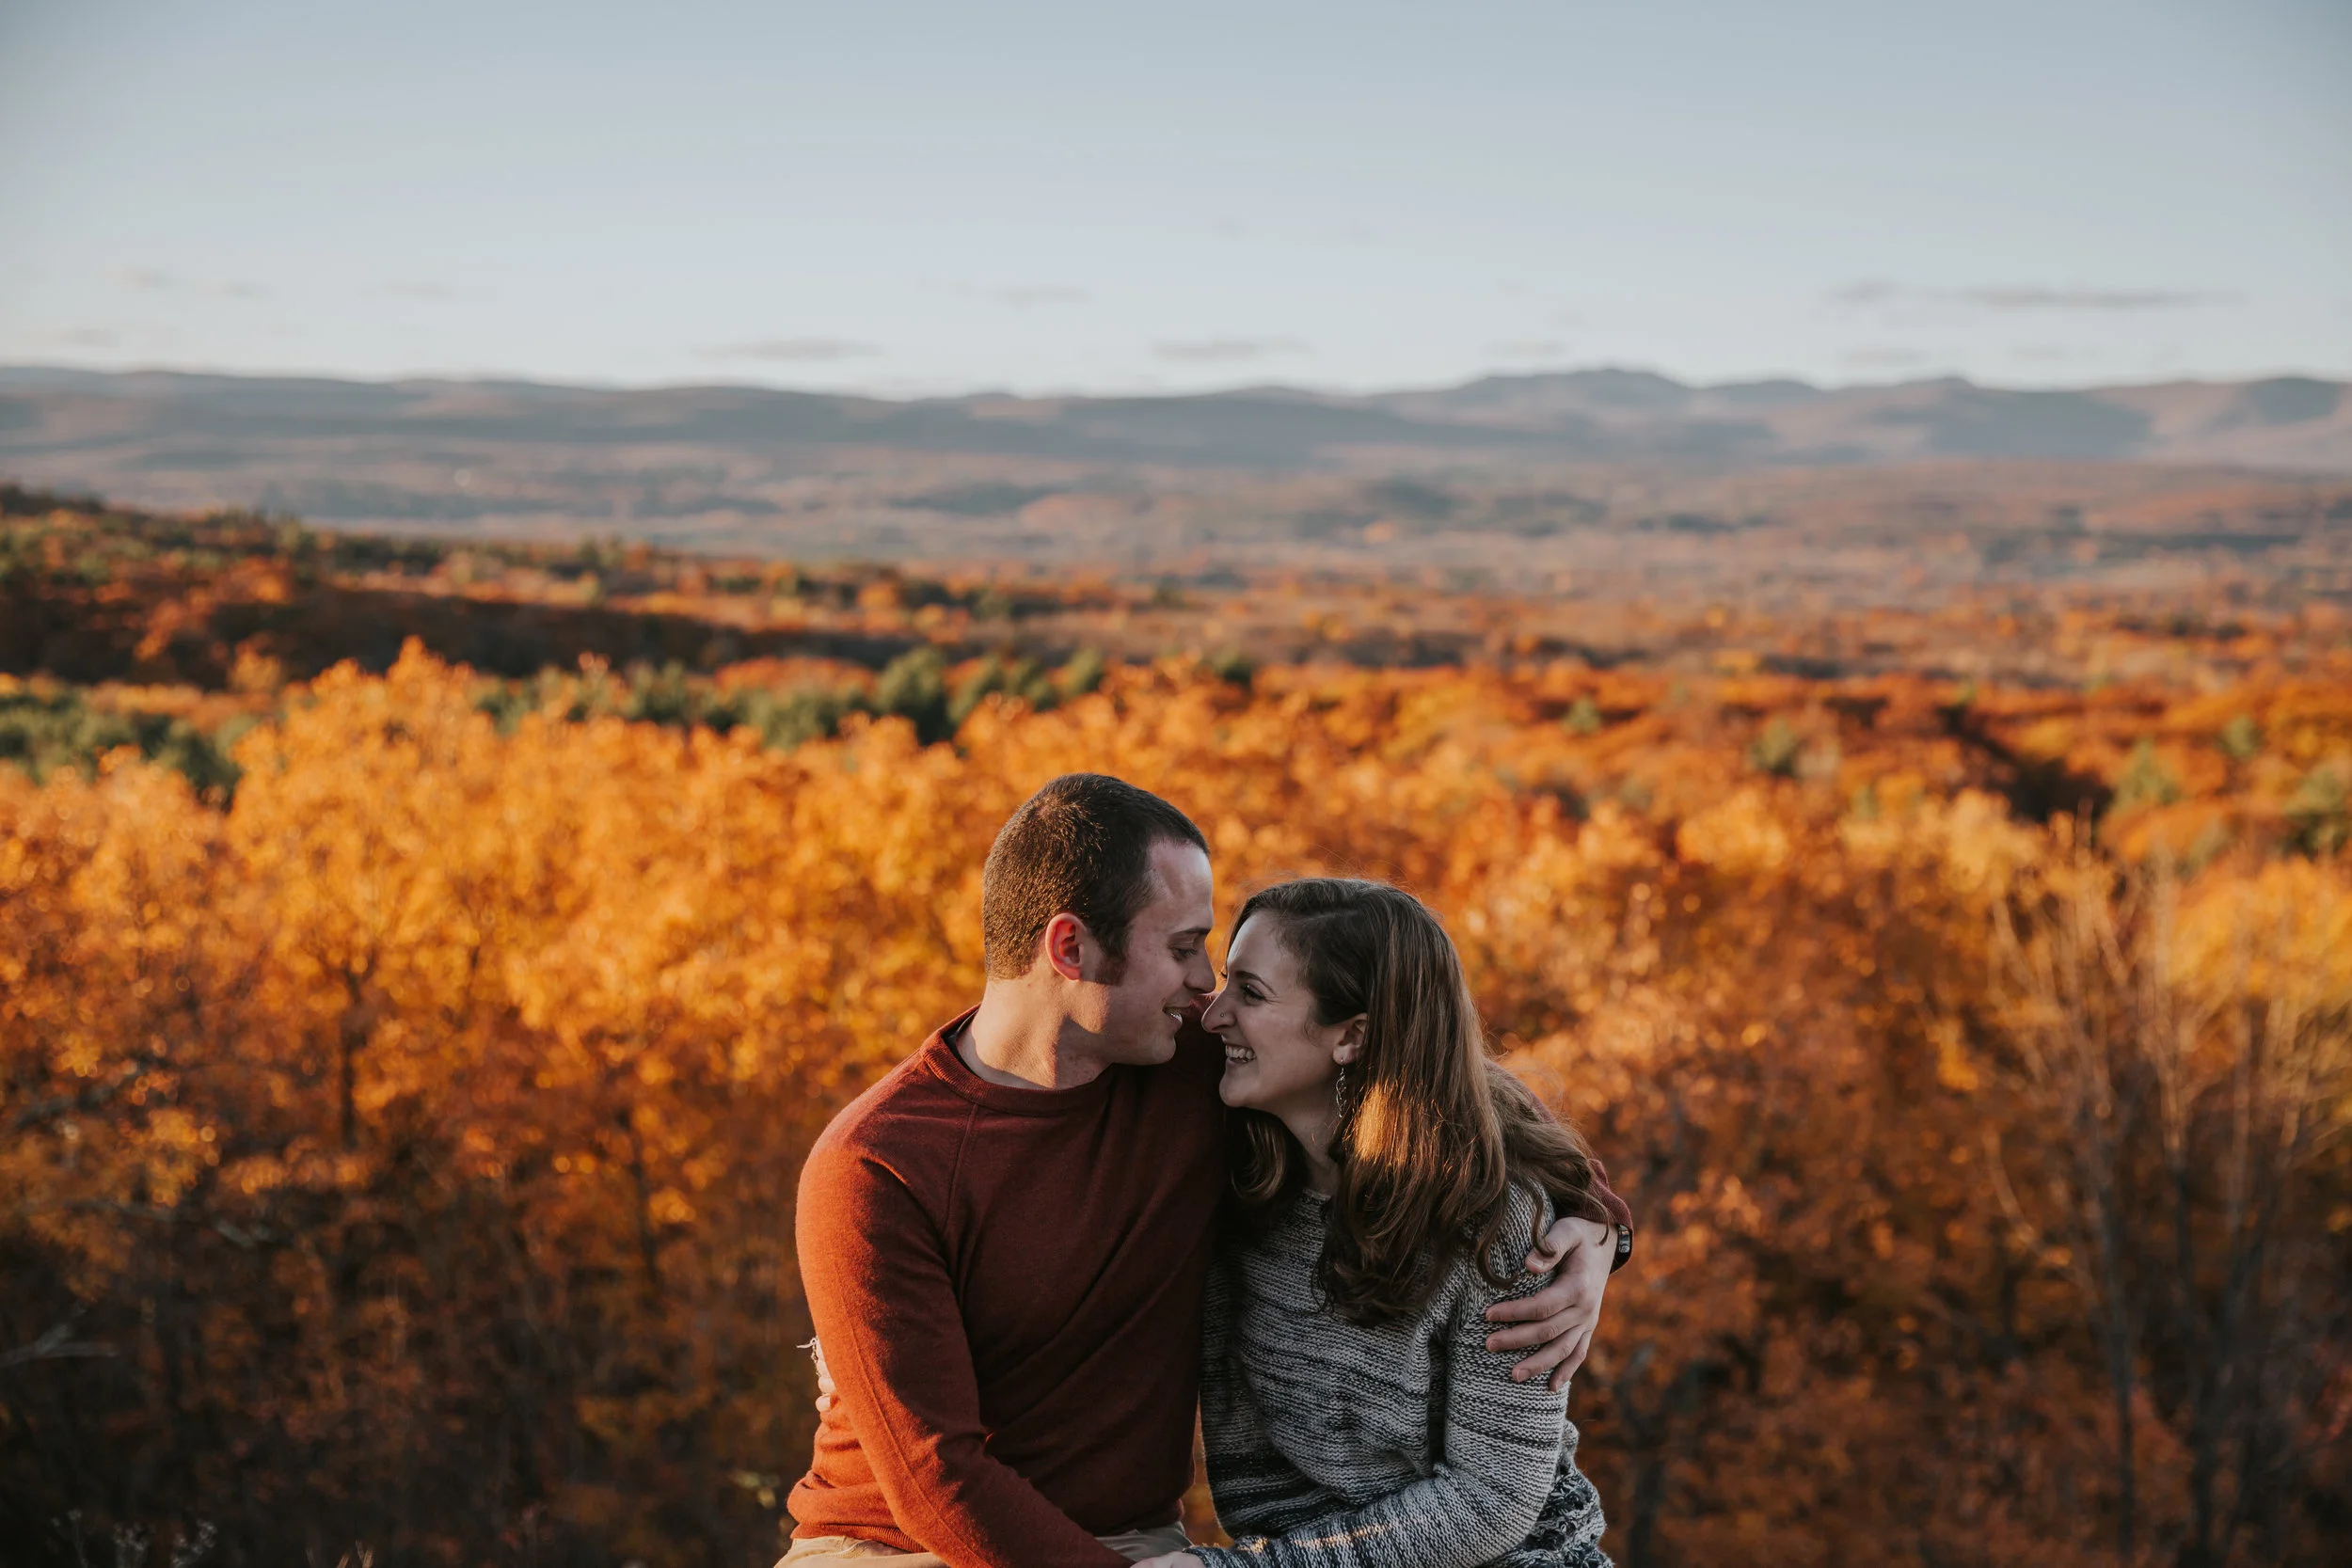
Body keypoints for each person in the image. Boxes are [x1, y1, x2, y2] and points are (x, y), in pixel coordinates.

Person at [782, 775, 1632, 1567]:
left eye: (1222, 965)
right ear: (1071, 947)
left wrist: (1595, 1225)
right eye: (1187, 948)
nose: (1206, 989)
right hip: (890, 1542)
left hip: (1128, 1542)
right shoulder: (875, 1166)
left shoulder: (1208, 1073)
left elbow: (1439, 1090)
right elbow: (937, 1480)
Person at [1133, 878, 1613, 1568]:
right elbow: (1253, 1480)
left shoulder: (1494, 1226)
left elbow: (1493, 1500)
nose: (1213, 1015)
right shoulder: (1236, 1184)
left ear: (1352, 1035)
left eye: (1252, 993)